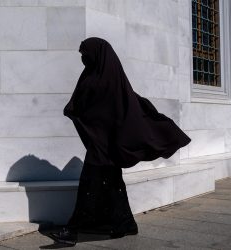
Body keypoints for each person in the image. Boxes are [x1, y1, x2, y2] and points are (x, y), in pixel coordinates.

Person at [48, 37, 191, 246]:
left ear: (97, 53)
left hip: (104, 147)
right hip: (102, 145)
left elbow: (120, 108)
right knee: (114, 186)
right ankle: (126, 224)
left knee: (90, 187)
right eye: (81, 54)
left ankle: (72, 231)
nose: (82, 58)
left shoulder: (108, 78)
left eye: (84, 53)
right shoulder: (97, 74)